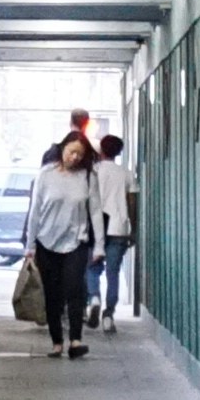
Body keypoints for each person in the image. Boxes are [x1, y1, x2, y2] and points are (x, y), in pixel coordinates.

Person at [22, 129, 103, 356]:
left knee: (75, 289)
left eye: (80, 154)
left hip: (77, 241)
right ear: (62, 149)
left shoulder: (88, 176)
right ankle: (57, 341)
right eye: (72, 152)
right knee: (52, 293)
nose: (75, 158)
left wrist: (99, 246)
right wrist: (30, 246)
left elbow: (95, 211)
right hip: (47, 241)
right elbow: (35, 212)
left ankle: (75, 341)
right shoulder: (45, 175)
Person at [85, 132, 136, 324]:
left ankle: (94, 298)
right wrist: (133, 229)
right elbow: (132, 203)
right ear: (119, 152)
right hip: (118, 228)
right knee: (113, 273)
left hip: (95, 228)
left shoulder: (93, 172)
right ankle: (108, 315)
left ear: (101, 150)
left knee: (91, 268)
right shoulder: (126, 174)